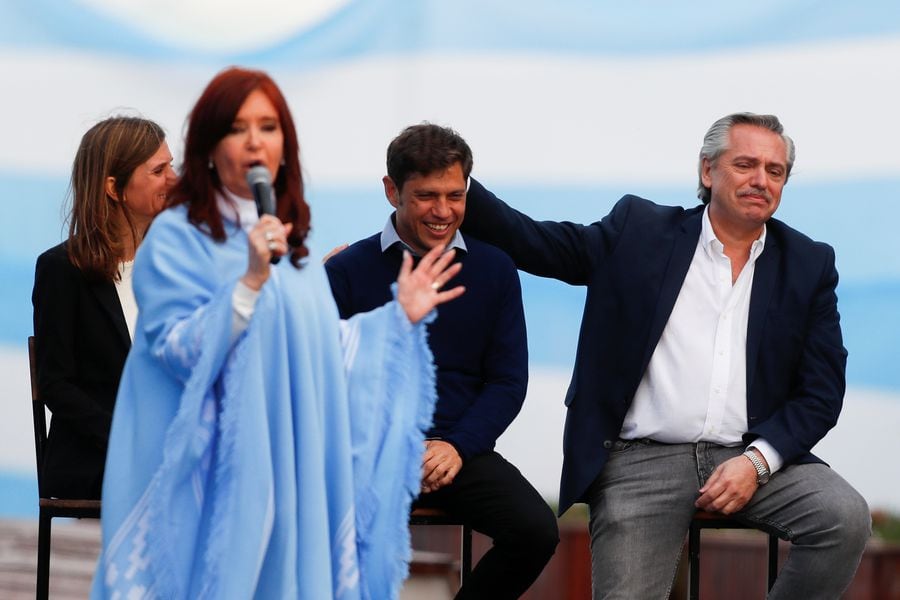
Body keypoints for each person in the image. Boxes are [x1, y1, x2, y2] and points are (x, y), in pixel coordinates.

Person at [461, 113, 871, 599]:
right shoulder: (640, 231)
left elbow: (822, 392)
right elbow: (537, 243)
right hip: (641, 460)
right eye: (745, 164)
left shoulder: (809, 263)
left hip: (752, 457)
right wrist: (455, 179)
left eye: (775, 170)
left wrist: (757, 462)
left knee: (844, 518)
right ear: (707, 171)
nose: (761, 179)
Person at [90, 68, 465, 600]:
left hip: (291, 461)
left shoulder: (293, 249)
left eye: (267, 127)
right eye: (236, 127)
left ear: (284, 146)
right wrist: (246, 282)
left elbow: (319, 355)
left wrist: (391, 321)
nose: (253, 141)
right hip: (219, 477)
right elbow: (175, 352)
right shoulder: (176, 237)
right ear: (208, 147)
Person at [326, 123, 559, 599]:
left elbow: (508, 382)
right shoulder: (346, 271)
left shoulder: (494, 268)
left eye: (456, 195)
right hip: (364, 454)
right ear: (392, 191)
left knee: (536, 532)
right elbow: (325, 379)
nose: (443, 211)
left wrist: (456, 446)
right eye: (427, 196)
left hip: (457, 451)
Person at [32, 116, 175, 500]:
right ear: (114, 188)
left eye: (171, 166)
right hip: (99, 455)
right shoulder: (62, 269)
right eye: (159, 170)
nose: (174, 180)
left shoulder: (177, 265)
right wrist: (129, 441)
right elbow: (56, 383)